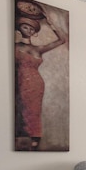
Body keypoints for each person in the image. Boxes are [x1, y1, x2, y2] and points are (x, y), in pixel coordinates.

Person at [15, 14, 67, 150]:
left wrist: (50, 23)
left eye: (32, 29)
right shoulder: (15, 47)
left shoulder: (38, 49)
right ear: (19, 28)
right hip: (20, 82)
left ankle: (34, 140)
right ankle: (21, 141)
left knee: (34, 112)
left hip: (36, 84)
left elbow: (62, 40)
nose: (29, 30)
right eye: (25, 27)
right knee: (20, 111)